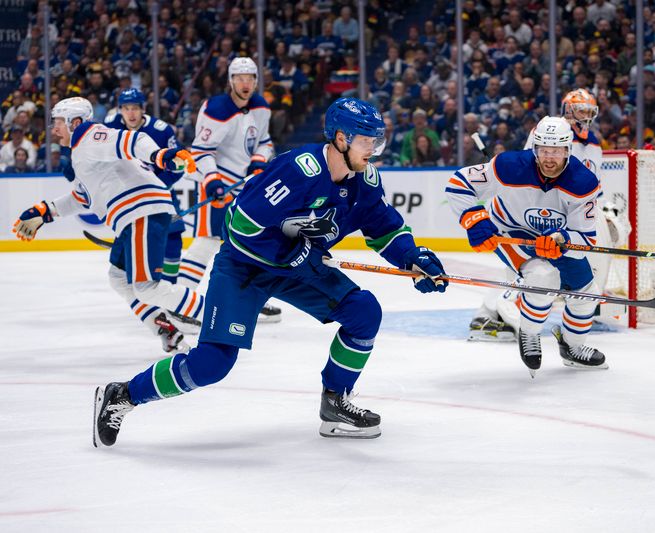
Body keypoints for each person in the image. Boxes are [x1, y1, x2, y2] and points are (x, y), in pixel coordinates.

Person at [92, 97, 449, 446]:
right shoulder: (299, 170)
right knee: (212, 364)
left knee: (364, 312)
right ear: (340, 139)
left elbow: (384, 227)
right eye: (366, 141)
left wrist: (413, 258)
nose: (373, 149)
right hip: (245, 266)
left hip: (299, 264)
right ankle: (123, 395)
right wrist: (295, 256)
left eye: (376, 141)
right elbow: (243, 226)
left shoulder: (364, 181)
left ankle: (335, 401)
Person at [11, 97, 201, 353]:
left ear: (74, 122)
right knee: (118, 278)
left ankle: (219, 311)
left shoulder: (90, 136)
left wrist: (160, 155)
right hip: (132, 219)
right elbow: (82, 197)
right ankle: (166, 330)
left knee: (147, 287)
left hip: (141, 212)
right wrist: (44, 212)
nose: (53, 129)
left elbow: (134, 141)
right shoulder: (81, 154)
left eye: (57, 122)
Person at [446, 116, 607, 379]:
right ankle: (530, 333)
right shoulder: (508, 165)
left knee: (587, 293)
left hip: (554, 238)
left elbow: (585, 240)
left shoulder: (584, 182)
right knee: (544, 278)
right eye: (544, 150)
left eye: (556, 151)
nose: (549, 158)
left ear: (568, 150)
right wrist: (474, 220)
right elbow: (458, 183)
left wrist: (561, 241)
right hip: (510, 231)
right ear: (535, 148)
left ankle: (572, 347)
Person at [181, 57, 282, 322]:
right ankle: (180, 303)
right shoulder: (217, 109)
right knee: (207, 241)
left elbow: (265, 142)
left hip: (245, 188)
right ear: (231, 81)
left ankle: (249, 300)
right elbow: (200, 151)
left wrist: (259, 162)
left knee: (249, 245)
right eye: (240, 78)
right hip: (218, 184)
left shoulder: (261, 107)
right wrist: (213, 180)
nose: (245, 83)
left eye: (250, 78)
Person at [105, 89, 185, 286]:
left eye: (135, 109)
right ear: (120, 110)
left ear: (143, 109)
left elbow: (179, 165)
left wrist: (156, 188)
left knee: (173, 237)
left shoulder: (161, 130)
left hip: (160, 194)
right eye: (126, 109)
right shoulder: (110, 128)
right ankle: (136, 283)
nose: (131, 114)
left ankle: (170, 286)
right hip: (128, 197)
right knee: (131, 234)